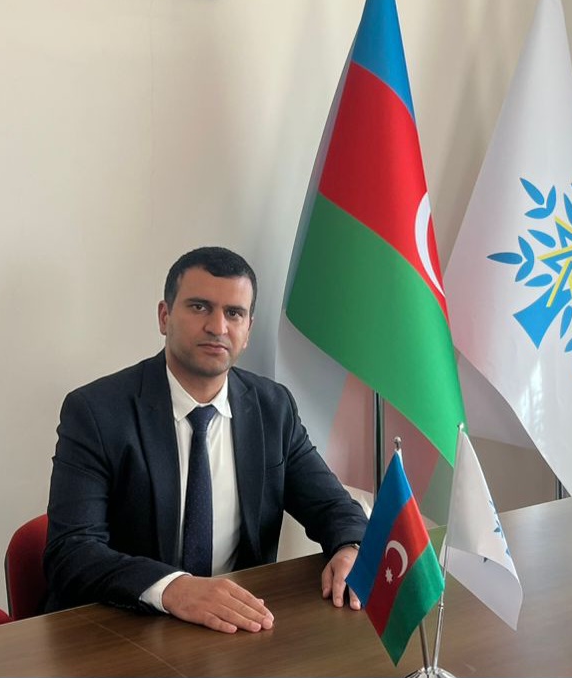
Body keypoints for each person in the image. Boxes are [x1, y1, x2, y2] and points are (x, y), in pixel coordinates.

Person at [44, 247, 368, 634]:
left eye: (234, 313)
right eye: (199, 307)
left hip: (238, 629)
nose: (218, 327)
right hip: (126, 630)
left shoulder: (272, 407)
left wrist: (351, 547)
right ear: (164, 316)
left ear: (248, 330)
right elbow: (72, 551)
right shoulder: (96, 412)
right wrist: (173, 588)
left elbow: (333, 507)